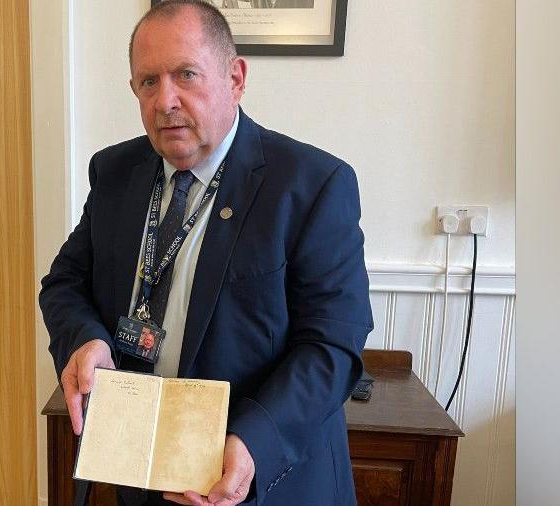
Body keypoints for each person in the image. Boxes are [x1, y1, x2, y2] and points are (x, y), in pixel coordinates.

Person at [39, 1, 373, 504]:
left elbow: (333, 347)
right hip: (141, 474)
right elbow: (64, 283)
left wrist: (253, 439)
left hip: (257, 478)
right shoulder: (114, 172)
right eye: (148, 82)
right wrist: (85, 341)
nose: (165, 100)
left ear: (235, 78)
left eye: (186, 75)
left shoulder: (312, 185)